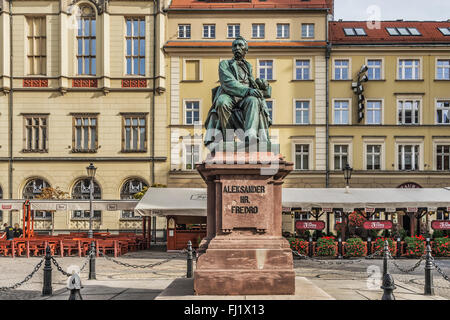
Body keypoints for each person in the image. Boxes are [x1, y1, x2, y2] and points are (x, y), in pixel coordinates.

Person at [204, 36, 272, 149]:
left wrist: (261, 85)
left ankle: (251, 135)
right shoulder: (224, 64)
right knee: (221, 102)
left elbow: (249, 83)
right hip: (229, 94)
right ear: (232, 49)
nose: (237, 48)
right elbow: (228, 82)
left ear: (246, 49)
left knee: (253, 100)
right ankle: (228, 138)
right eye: (235, 46)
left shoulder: (248, 66)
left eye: (240, 45)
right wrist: (248, 90)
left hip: (244, 98)